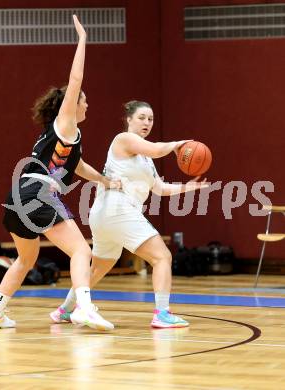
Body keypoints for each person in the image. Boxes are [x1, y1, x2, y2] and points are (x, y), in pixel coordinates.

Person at [0, 15, 118, 331]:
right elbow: (75, 80)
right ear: (70, 106)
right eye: (84, 100)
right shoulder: (65, 122)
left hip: (18, 195)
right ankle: (83, 308)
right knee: (82, 250)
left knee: (25, 260)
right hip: (39, 193)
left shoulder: (64, 138)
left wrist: (105, 180)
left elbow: (78, 167)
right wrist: (83, 39)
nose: (87, 104)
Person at [50, 100, 208, 329]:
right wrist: (179, 144)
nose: (147, 122)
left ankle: (64, 310)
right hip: (118, 210)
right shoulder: (123, 140)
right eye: (142, 117)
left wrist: (187, 188)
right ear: (129, 120)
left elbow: (160, 189)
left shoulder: (146, 160)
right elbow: (156, 149)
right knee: (162, 257)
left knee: (97, 269)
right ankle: (162, 314)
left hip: (105, 214)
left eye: (151, 119)